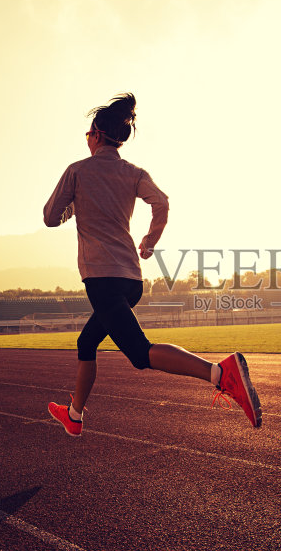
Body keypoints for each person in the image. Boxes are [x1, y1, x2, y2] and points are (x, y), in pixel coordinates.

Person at [43, 93, 262, 437]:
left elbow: (49, 218)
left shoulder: (77, 171)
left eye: (87, 134)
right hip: (131, 280)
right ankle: (74, 415)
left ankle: (220, 373)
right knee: (87, 344)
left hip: (102, 279)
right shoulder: (134, 172)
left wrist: (72, 206)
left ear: (96, 134)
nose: (86, 140)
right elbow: (161, 202)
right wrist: (150, 240)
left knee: (140, 353)